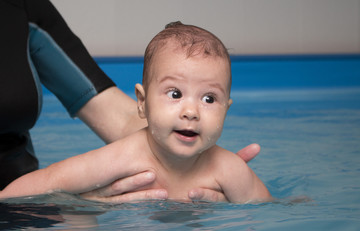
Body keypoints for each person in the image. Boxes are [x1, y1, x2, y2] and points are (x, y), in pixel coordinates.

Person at [0, 22, 271, 203]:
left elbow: (271, 214)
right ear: (142, 102)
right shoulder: (120, 158)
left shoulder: (230, 171)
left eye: (209, 98)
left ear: (227, 109)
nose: (191, 111)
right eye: (175, 94)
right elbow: (49, 181)